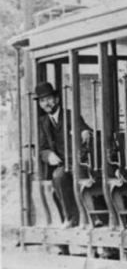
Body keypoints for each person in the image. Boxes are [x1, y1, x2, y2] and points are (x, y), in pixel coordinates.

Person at [35, 82, 93, 226]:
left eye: (48, 99)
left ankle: (87, 218)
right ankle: (71, 218)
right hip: (60, 165)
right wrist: (48, 155)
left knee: (67, 176)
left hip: (79, 162)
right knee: (58, 176)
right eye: (42, 101)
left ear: (57, 99)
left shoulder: (70, 115)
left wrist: (85, 132)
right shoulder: (41, 122)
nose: (46, 104)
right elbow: (41, 148)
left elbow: (84, 130)